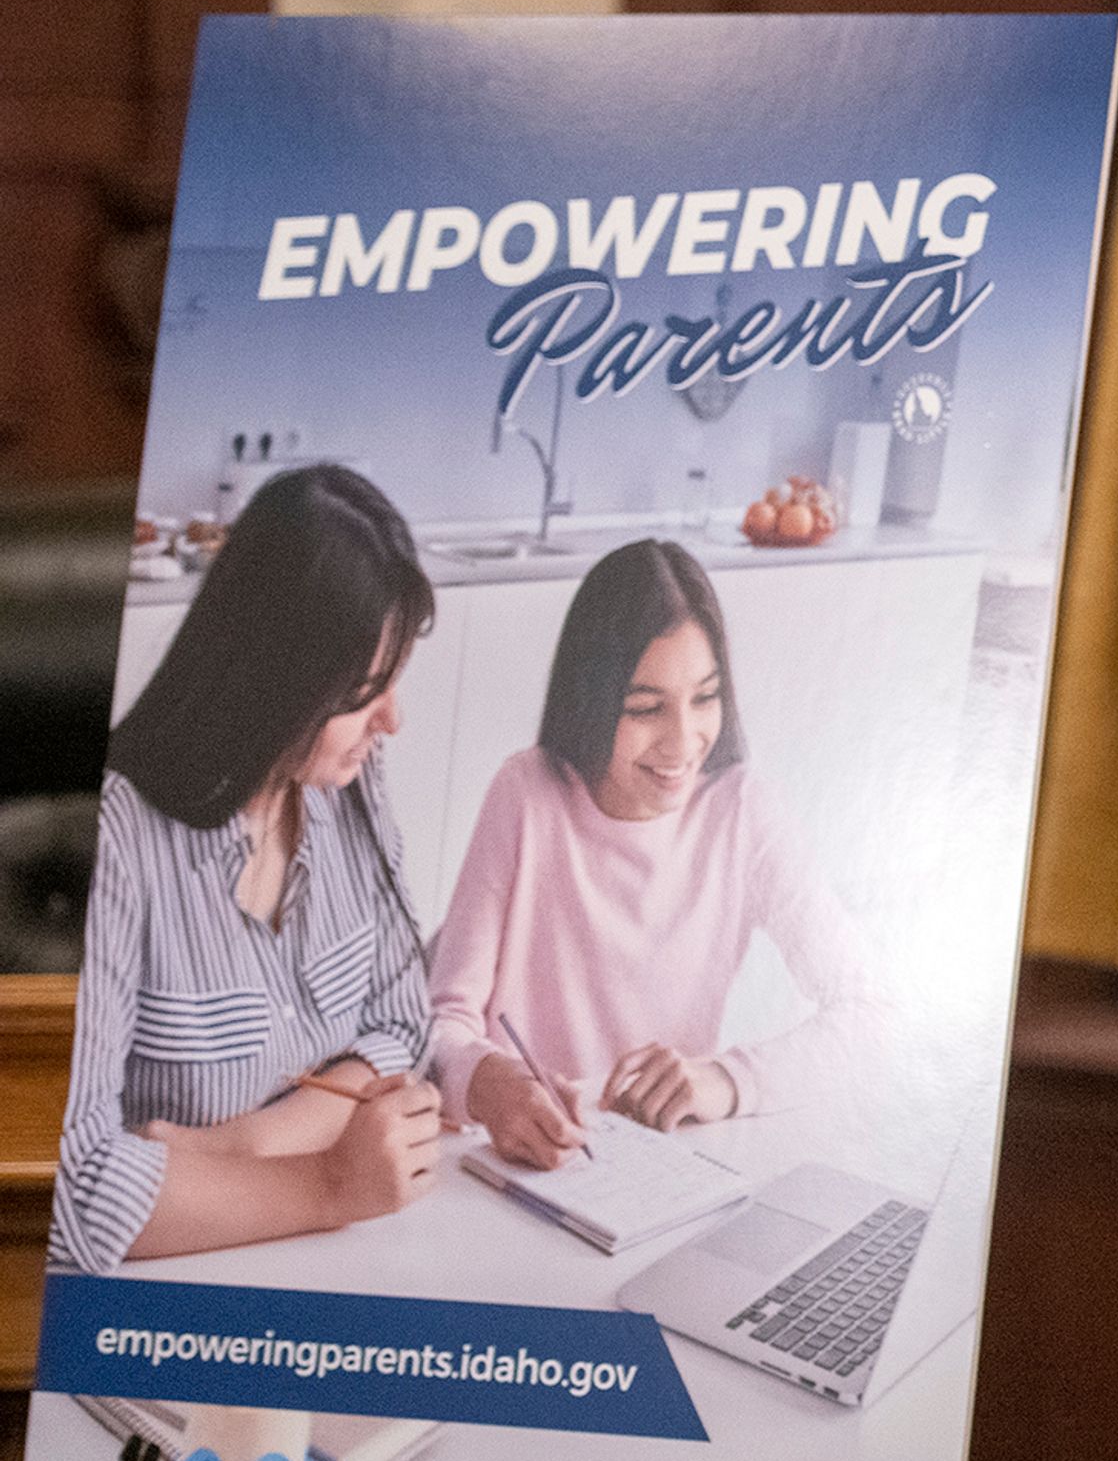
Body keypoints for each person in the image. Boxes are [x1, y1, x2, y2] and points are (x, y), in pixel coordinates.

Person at [54, 464, 446, 1272]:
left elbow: (404, 1022)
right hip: (165, 1297)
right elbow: (74, 1186)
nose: (393, 719)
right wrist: (330, 1183)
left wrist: (245, 1143)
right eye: (366, 689)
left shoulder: (350, 783)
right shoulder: (115, 837)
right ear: (278, 679)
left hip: (329, 1260)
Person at [429, 539, 895, 1162]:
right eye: (645, 708)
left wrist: (724, 1080)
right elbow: (442, 1023)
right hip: (513, 1162)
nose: (682, 743)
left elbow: (872, 1012)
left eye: (704, 698)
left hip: (657, 1165)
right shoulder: (527, 793)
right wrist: (491, 1084)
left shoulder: (744, 811)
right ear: (593, 703)